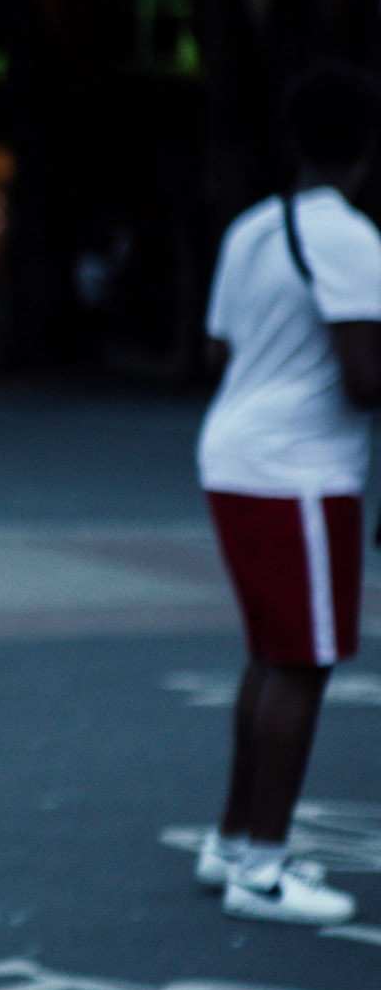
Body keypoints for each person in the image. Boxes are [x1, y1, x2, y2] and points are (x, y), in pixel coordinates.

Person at [194, 62, 381, 926]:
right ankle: (264, 868)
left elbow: (219, 356)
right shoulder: (352, 240)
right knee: (303, 660)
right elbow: (360, 379)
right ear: (367, 149)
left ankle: (233, 837)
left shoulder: (252, 229)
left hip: (234, 454)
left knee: (271, 651)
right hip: (300, 468)